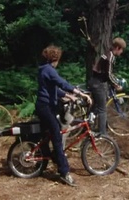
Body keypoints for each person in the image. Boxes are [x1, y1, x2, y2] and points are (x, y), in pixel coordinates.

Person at [35, 45, 92, 187]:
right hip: (46, 107)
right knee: (57, 137)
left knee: (51, 134)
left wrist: (68, 96)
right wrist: (80, 93)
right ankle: (64, 172)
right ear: (56, 58)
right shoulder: (49, 70)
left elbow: (54, 88)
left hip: (45, 106)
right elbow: (62, 83)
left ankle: (52, 157)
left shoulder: (45, 69)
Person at [88, 37, 126, 135]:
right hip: (98, 84)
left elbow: (107, 72)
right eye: (121, 50)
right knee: (102, 109)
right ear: (118, 48)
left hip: (95, 81)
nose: (121, 53)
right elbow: (108, 74)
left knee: (96, 106)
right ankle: (103, 134)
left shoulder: (107, 53)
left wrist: (113, 80)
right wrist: (116, 85)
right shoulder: (110, 57)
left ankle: (89, 127)